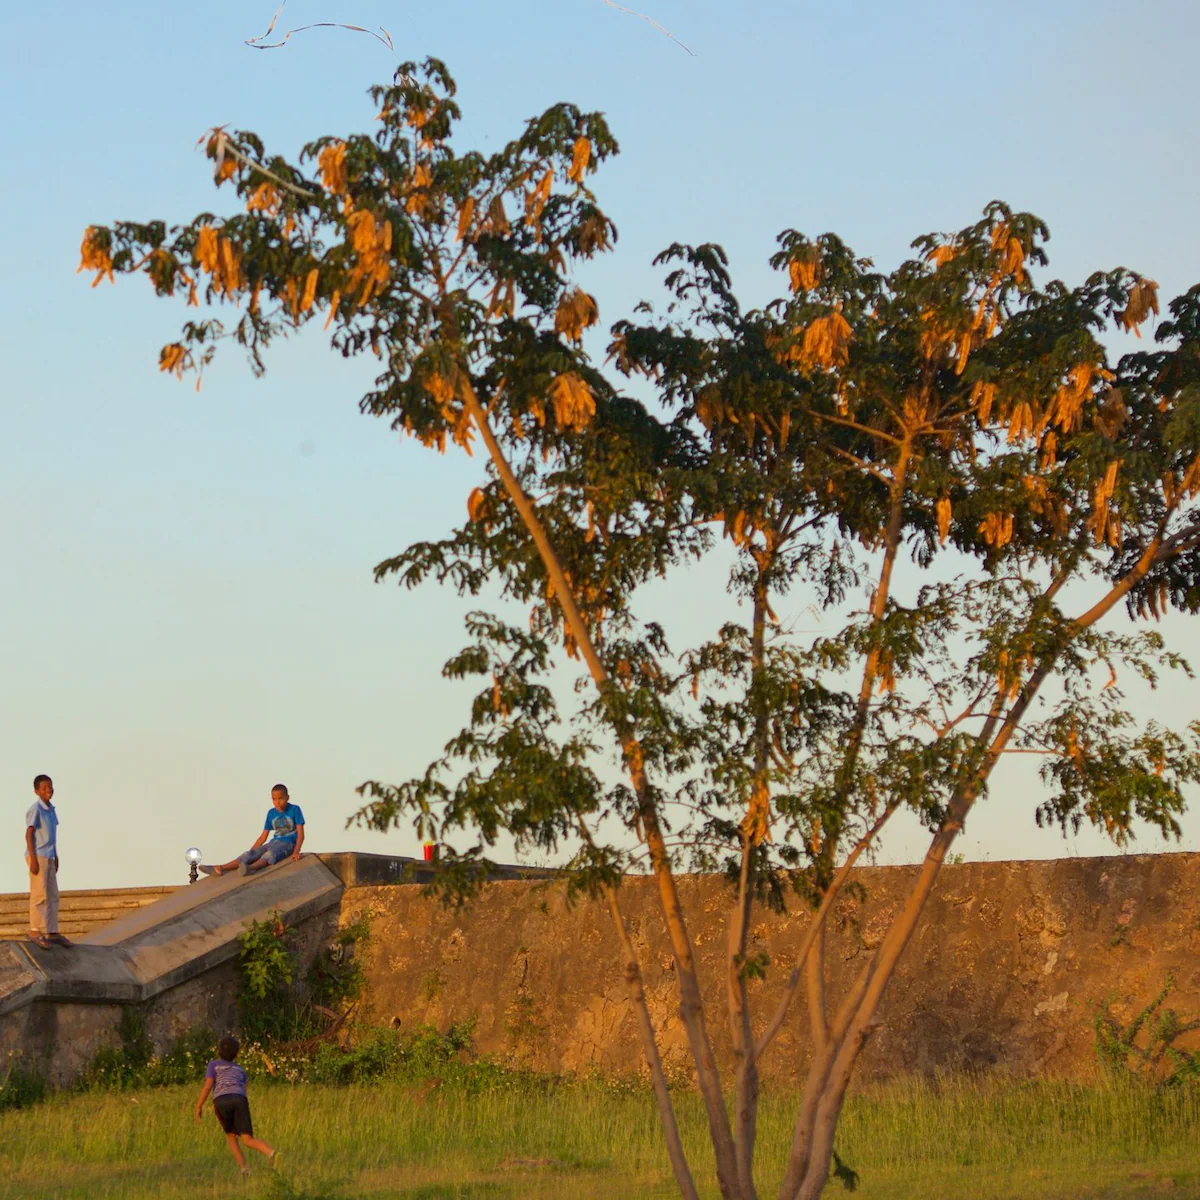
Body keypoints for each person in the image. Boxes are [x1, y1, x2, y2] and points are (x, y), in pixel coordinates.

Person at [194, 1034, 277, 1175]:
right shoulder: (240, 1070)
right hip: (240, 1099)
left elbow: (208, 1085)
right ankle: (271, 1152)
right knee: (248, 1139)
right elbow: (243, 1090)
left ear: (218, 1051)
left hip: (221, 1101)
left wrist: (198, 1106)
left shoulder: (213, 1065)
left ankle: (244, 1169)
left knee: (231, 1136)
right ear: (236, 1054)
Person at [199, 784, 305, 877]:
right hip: (273, 842)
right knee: (249, 854)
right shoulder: (271, 813)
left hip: (287, 844)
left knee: (269, 854)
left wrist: (296, 851)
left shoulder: (294, 809)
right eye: (274, 799)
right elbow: (263, 836)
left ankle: (251, 868)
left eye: (281, 798)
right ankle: (220, 868)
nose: (277, 802)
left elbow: (300, 834)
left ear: (287, 798)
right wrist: (252, 852)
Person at [25, 774, 71, 949]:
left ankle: (52, 931)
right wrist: (33, 858)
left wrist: (56, 855)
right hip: (38, 854)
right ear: (37, 791)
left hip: (50, 854)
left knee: (53, 895)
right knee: (39, 894)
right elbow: (29, 834)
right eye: (44, 788)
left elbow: (53, 835)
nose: (48, 790)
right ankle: (35, 930)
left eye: (50, 787)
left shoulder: (51, 810)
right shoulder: (35, 809)